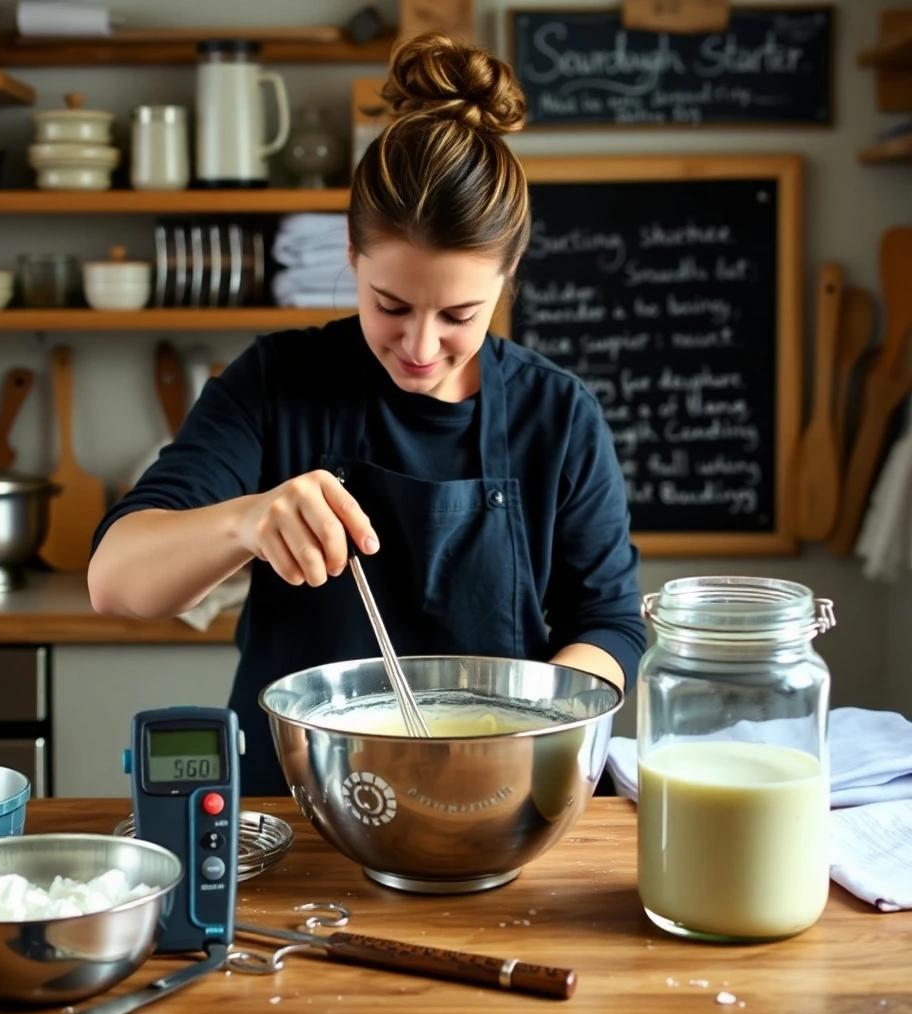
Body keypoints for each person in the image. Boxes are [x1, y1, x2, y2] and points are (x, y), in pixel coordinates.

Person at [88, 31, 646, 796]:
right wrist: (244, 522)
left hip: (496, 790)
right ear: (351, 251)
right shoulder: (275, 383)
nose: (421, 345)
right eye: (391, 305)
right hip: (292, 803)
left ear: (510, 273)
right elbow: (115, 581)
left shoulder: (558, 416)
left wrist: (527, 727)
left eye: (459, 313)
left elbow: (611, 624)